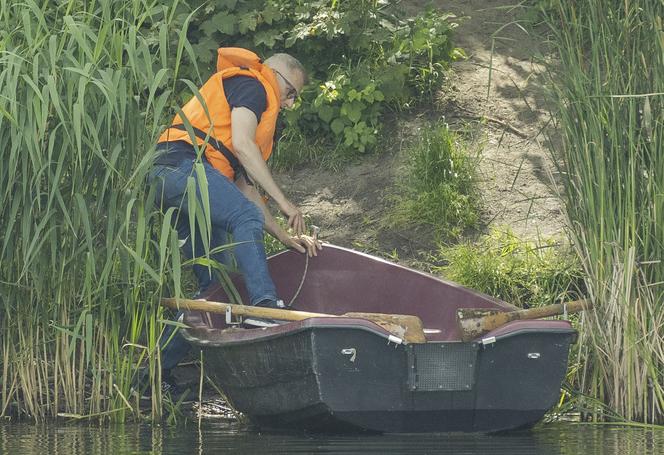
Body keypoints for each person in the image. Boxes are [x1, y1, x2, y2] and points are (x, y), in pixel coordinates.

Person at [147, 47, 321, 397]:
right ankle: (264, 307)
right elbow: (242, 145)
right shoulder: (252, 85)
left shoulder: (253, 102)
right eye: (291, 94)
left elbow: (246, 191)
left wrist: (284, 238)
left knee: (216, 287)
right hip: (179, 166)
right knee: (242, 219)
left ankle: (151, 379)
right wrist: (287, 203)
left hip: (181, 178)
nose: (288, 105)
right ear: (277, 76)